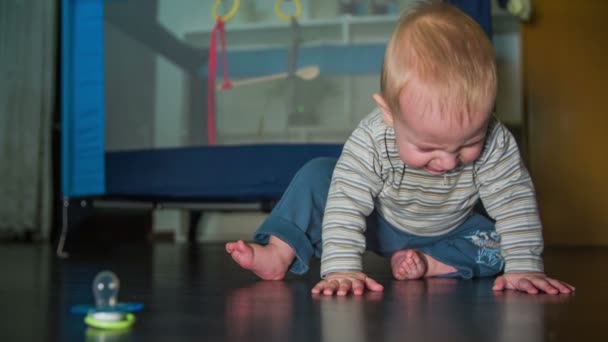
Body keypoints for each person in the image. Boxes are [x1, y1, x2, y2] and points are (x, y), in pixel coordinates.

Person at [226, 0, 574, 296]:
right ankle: (279, 252)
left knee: (501, 244)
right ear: (389, 114)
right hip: (381, 220)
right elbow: (347, 200)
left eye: (469, 143)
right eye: (429, 146)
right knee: (319, 174)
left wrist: (525, 268)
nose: (449, 161)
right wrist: (342, 269)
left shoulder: (496, 141)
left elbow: (514, 202)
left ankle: (433, 262)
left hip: (452, 229)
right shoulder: (373, 138)